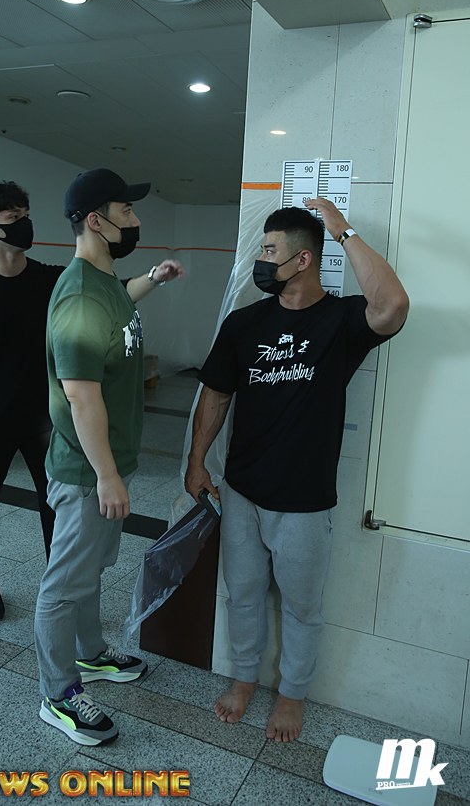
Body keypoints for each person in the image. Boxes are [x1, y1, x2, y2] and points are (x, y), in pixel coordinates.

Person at [185, 199, 409, 743]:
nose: (261, 261)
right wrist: (196, 462)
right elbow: (216, 395)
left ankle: (292, 694)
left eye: (270, 251)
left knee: (302, 606)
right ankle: (243, 679)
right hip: (242, 491)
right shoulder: (244, 323)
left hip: (306, 502)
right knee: (242, 594)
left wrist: (343, 229)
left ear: (303, 259)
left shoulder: (341, 321)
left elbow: (393, 305)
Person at [0, 179, 182, 623]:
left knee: (55, 502)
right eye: (13, 219)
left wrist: (155, 278)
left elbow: (117, 294)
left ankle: (61, 574)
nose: (24, 225)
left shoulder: (52, 280)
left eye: (26, 216)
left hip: (44, 419)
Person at [34, 168, 185, 747]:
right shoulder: (77, 295)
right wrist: (105, 475)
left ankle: (91, 653)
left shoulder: (103, 282)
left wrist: (153, 279)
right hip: (86, 470)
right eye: (127, 212)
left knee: (89, 570)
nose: (136, 221)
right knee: (63, 584)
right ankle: (58, 695)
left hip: (104, 466)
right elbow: (79, 394)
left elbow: (118, 304)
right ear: (96, 221)